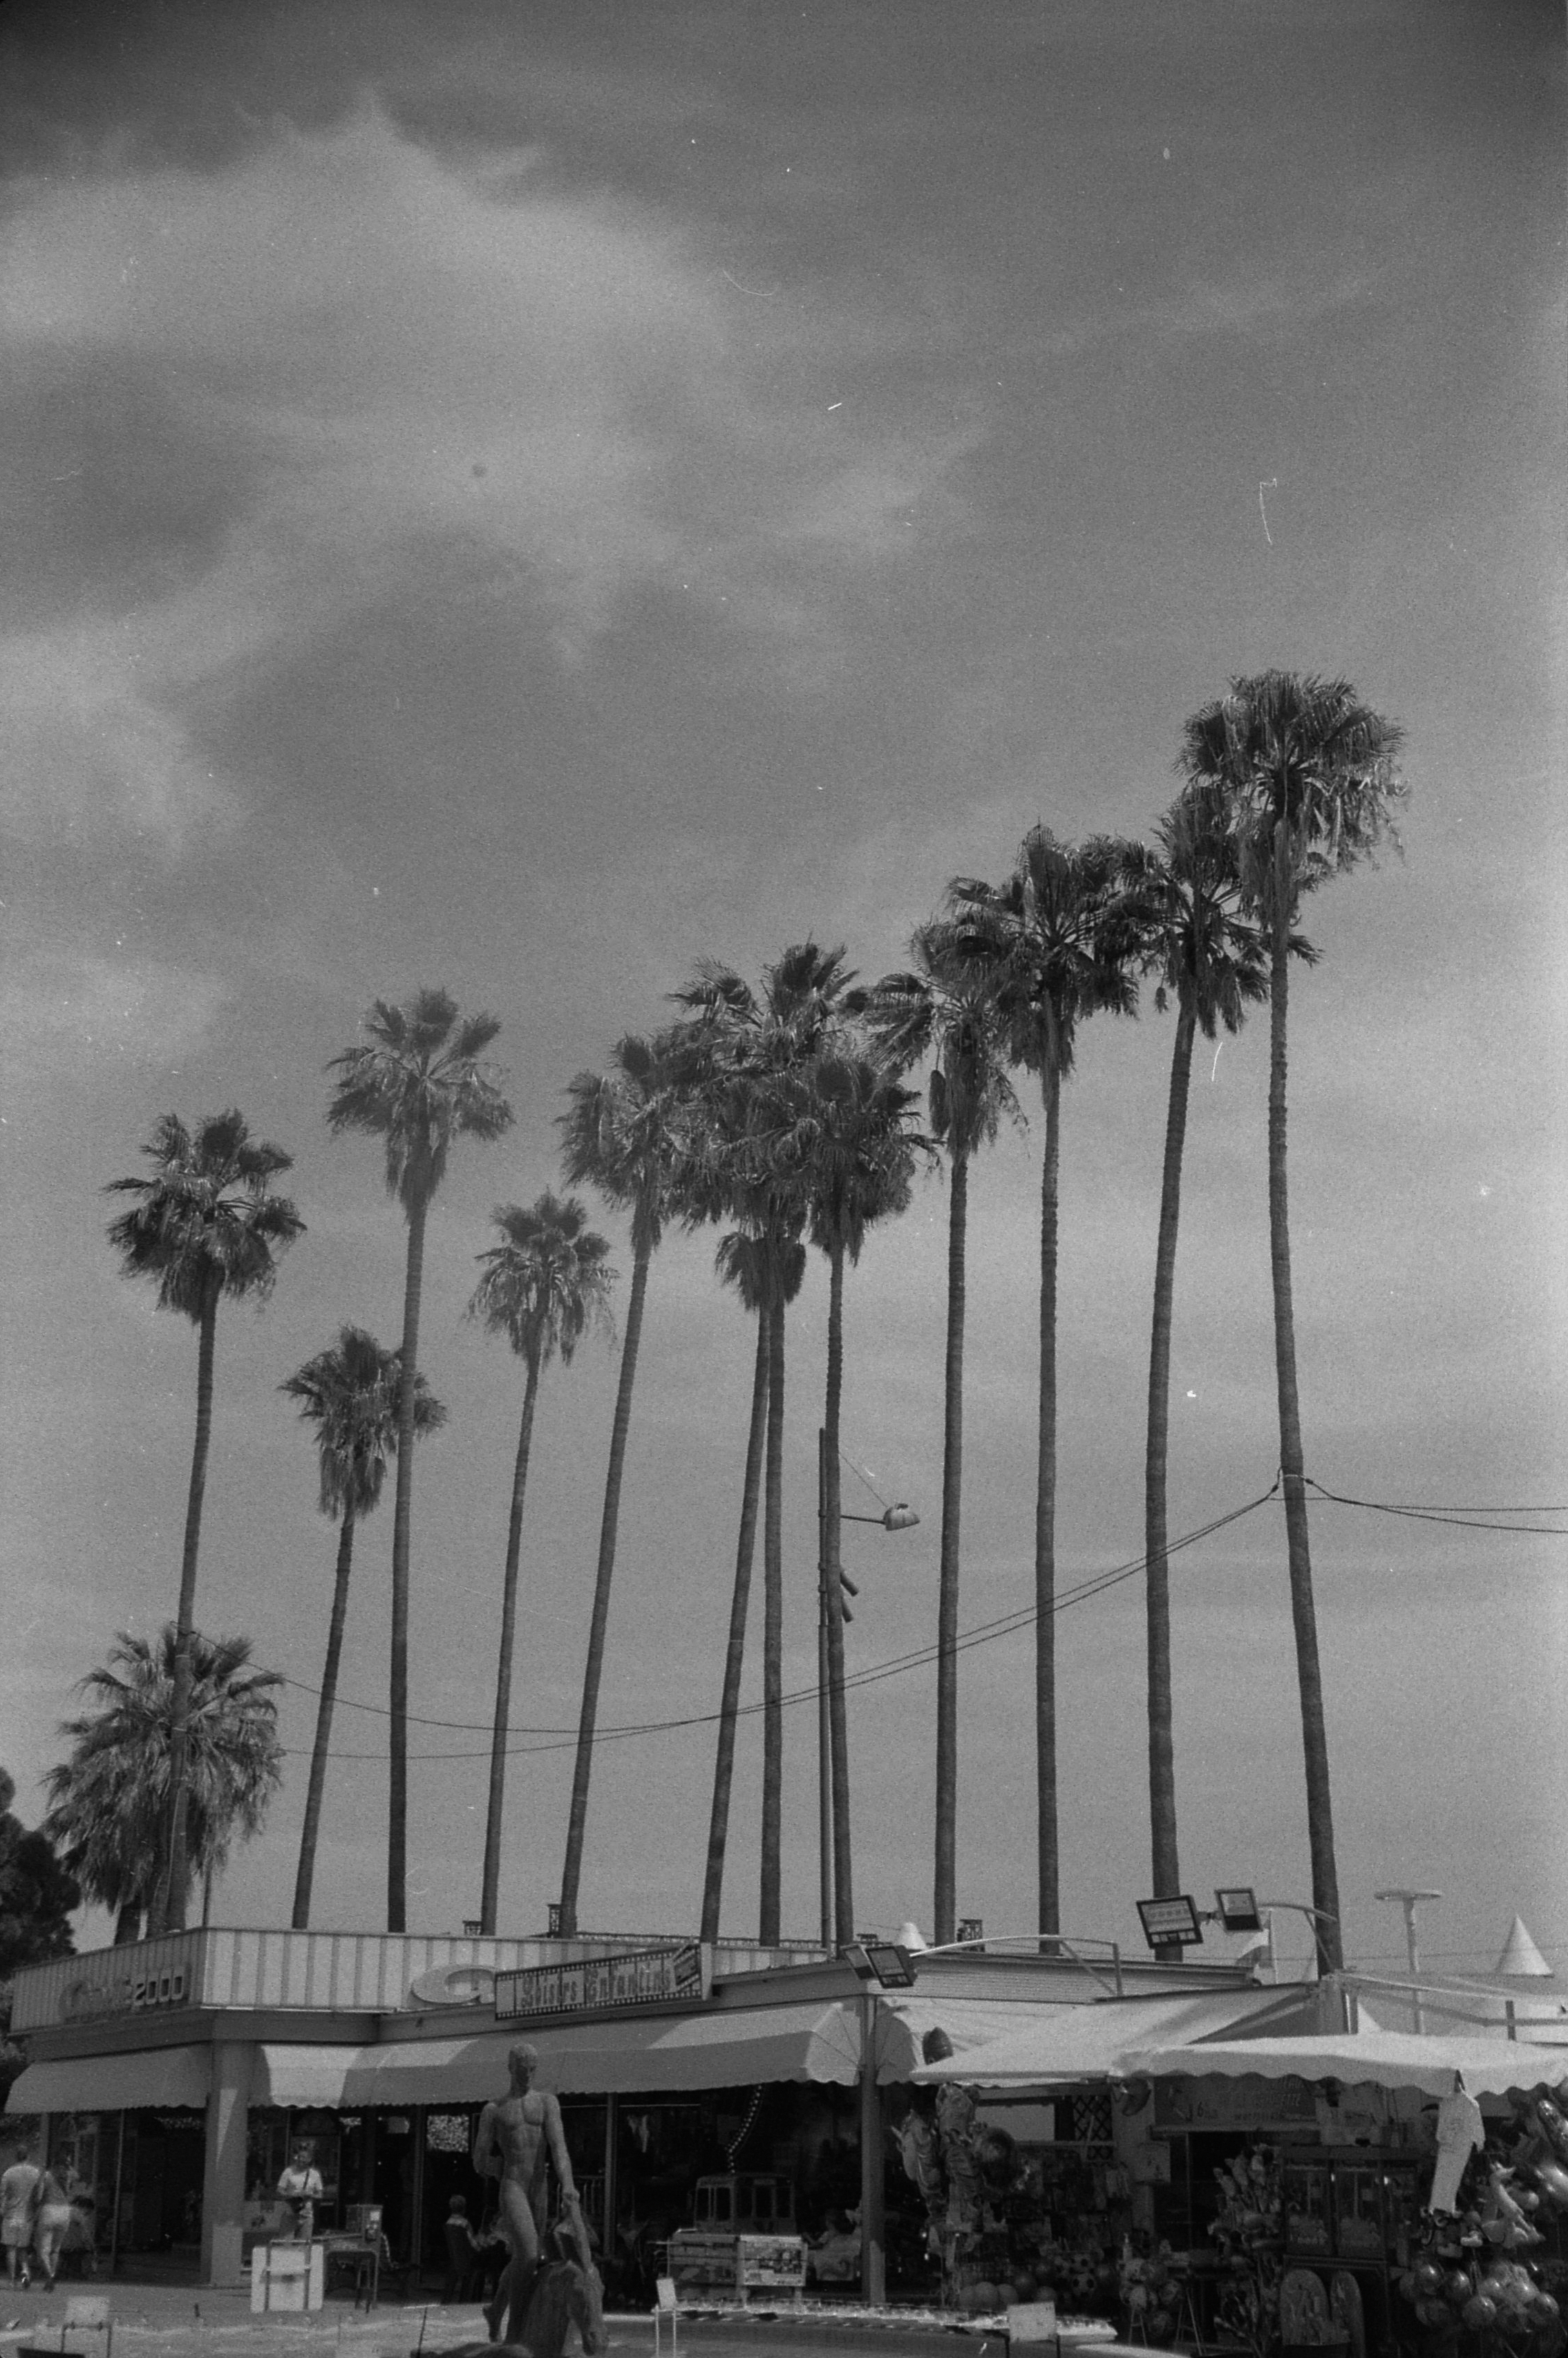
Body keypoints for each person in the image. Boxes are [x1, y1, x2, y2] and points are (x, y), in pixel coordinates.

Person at [471, 2042, 594, 2343]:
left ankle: (495, 2310)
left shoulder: (547, 2103)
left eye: (532, 2070)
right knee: (527, 2253)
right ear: (510, 2068)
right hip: (512, 2184)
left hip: (539, 2185)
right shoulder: (494, 2109)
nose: (527, 2075)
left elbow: (559, 2148)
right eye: (522, 2069)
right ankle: (516, 2331)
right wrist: (496, 2167)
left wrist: (568, 2184)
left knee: (527, 2258)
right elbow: (479, 2158)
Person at [1, 2145, 41, 2290]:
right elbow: (39, 2196)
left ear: (16, 2157)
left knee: (11, 2249)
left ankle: (12, 2280)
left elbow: (2, 2194)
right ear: (28, 2156)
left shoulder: (8, 2173)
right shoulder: (36, 2173)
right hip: (27, 2217)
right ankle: (25, 2272)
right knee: (23, 2248)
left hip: (11, 2216)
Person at [32, 2164, 73, 2292]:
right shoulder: (67, 2176)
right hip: (65, 2212)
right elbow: (69, 2193)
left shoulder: (46, 2176)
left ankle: (49, 2276)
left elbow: (39, 2197)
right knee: (55, 2250)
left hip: (49, 2210)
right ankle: (53, 2275)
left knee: (44, 2251)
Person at [276, 2143, 324, 2242]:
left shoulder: (315, 2174)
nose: (300, 2160)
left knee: (303, 2246)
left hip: (307, 2215)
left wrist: (309, 2195)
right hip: (290, 2214)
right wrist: (293, 2195)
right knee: (285, 2245)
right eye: (299, 2157)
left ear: (309, 2159)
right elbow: (279, 2191)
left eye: (304, 2157)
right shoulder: (288, 2171)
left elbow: (320, 2195)